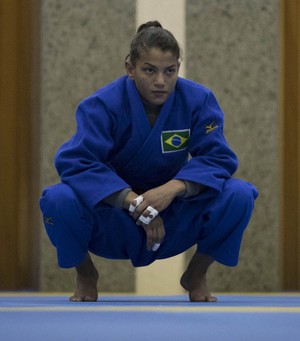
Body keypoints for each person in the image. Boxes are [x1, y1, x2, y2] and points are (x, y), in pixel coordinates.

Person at [40, 20, 258, 302]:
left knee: (240, 194)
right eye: (149, 70)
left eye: (170, 71)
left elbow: (218, 158)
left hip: (172, 219)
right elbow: (76, 162)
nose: (160, 81)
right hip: (114, 218)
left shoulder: (198, 100)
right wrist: (133, 202)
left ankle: (196, 273)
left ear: (178, 67)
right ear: (130, 68)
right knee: (56, 198)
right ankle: (85, 274)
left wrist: (173, 189)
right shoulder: (102, 105)